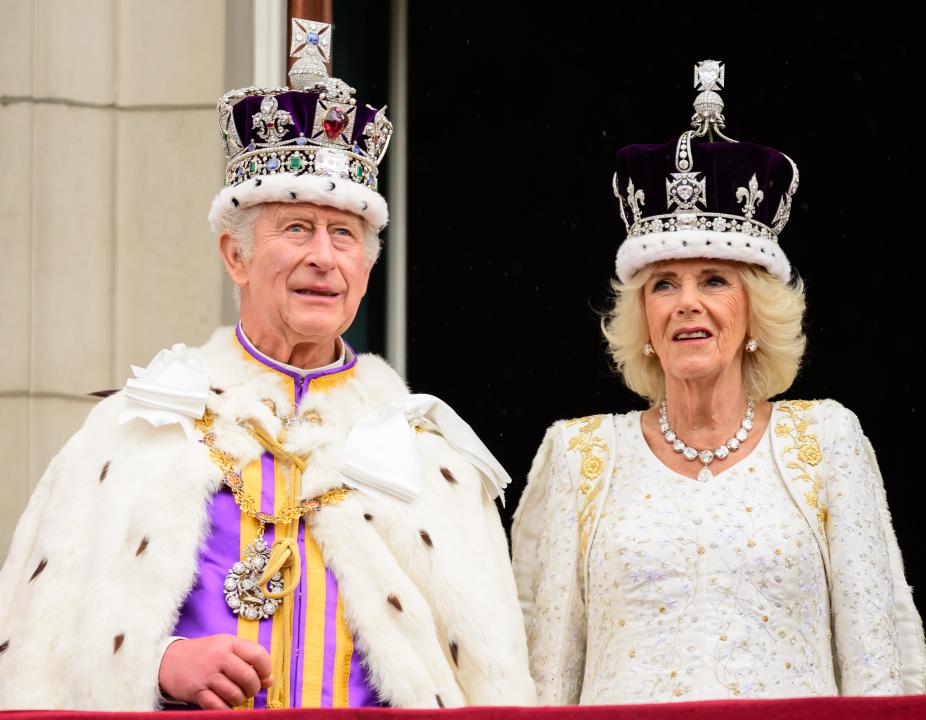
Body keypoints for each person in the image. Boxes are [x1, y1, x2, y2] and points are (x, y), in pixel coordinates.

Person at [0, 19, 534, 711]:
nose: (323, 256)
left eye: (344, 234)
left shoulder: (431, 460)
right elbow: (36, 644)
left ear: (366, 272)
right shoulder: (134, 432)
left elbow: (488, 680)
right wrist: (159, 664)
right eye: (296, 229)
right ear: (236, 256)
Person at [511, 59, 926, 704]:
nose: (687, 303)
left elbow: (879, 663)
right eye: (663, 284)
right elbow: (544, 676)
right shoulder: (580, 456)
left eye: (714, 280)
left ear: (755, 311)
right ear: (643, 318)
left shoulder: (826, 440)